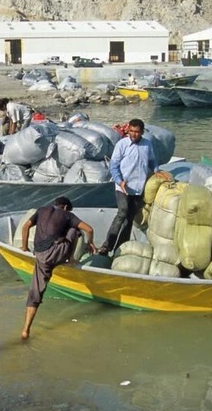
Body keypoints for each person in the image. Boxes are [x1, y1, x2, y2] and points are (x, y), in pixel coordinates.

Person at [18, 196, 95, 339]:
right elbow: (89, 229)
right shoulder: (68, 215)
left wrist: (24, 247)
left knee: (35, 293)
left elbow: (25, 226)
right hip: (57, 253)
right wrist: (90, 243)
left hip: (40, 256)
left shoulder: (41, 210)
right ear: (65, 207)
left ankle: (25, 330)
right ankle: (71, 259)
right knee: (75, 230)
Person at [99, 118, 158, 256]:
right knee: (122, 213)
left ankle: (120, 248)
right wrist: (120, 181)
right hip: (123, 187)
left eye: (137, 132)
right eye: (131, 131)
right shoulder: (122, 144)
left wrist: (157, 171)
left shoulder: (147, 145)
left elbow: (152, 161)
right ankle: (107, 246)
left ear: (142, 132)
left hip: (138, 188)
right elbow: (113, 166)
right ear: (128, 131)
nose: (133, 134)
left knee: (130, 218)